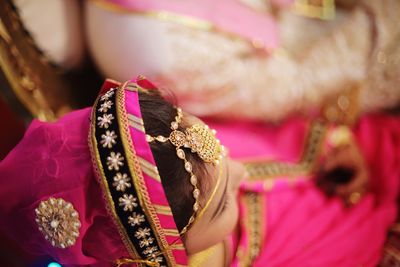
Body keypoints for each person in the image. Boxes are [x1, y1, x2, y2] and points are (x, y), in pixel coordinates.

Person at [0, 77, 398, 266]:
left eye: (219, 146)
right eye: (223, 203)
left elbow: (285, 137)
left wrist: (342, 144)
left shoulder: (187, 157)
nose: (241, 171)